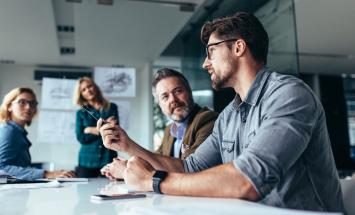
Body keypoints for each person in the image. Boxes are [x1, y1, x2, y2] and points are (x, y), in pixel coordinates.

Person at [97, 12, 344, 212]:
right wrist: (128, 146)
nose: (205, 63)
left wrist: (153, 181)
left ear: (238, 47)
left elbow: (247, 180)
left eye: (211, 51)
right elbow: (188, 168)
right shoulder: (228, 115)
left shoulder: (289, 95)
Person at [101, 68, 218, 179]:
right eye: (165, 96)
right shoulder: (169, 130)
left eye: (178, 91)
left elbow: (190, 170)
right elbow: (155, 162)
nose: (173, 99)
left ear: (189, 92)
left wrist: (126, 167)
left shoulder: (207, 120)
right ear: (160, 105)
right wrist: (127, 166)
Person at [0, 87, 75, 180]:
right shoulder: (8, 131)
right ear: (9, 106)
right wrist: (46, 174)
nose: (28, 107)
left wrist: (55, 173)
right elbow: (1, 168)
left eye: (32, 103)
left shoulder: (18, 132)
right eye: (22, 102)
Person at [73, 77, 118, 177]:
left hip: (108, 158)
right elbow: (81, 138)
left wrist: (89, 129)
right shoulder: (80, 113)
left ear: (95, 87)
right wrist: (103, 129)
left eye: (89, 86)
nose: (88, 90)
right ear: (81, 94)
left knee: (111, 190)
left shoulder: (112, 107)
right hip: (87, 161)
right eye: (83, 90)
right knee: (84, 192)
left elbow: (113, 131)